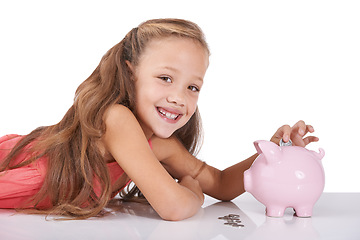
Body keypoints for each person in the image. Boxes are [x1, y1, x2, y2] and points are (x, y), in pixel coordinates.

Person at [0, 18, 319, 221]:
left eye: (192, 86)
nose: (180, 97)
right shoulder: (116, 119)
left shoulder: (161, 145)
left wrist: (274, 150)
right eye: (165, 78)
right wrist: (193, 192)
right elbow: (175, 207)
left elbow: (221, 185)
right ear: (130, 72)